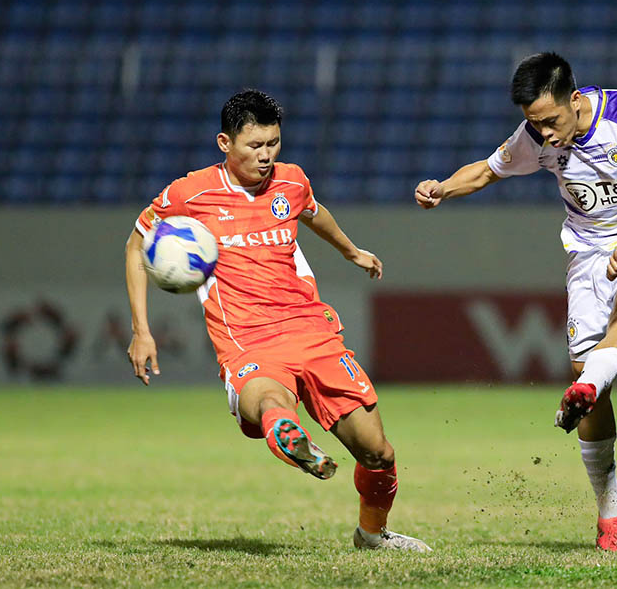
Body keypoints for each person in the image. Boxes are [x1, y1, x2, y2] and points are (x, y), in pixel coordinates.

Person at [124, 89, 430, 552]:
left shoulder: (290, 182)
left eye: (274, 144)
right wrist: (141, 331)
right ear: (225, 143)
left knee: (378, 451)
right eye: (255, 146)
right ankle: (287, 434)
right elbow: (135, 244)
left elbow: (313, 211)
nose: (266, 156)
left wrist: (351, 250)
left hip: (313, 330)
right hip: (248, 340)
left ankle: (371, 535)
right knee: (269, 399)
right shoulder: (191, 192)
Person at [414, 52, 617, 551]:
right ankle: (610, 502)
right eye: (534, 124)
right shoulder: (534, 137)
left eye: (551, 121)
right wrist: (442, 189)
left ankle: (587, 390)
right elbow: (487, 172)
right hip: (587, 254)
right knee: (589, 381)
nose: (546, 134)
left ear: (574, 100)